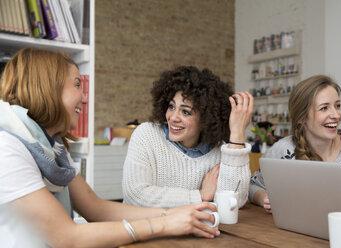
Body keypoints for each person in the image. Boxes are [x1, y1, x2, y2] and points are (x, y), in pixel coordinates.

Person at [0, 48, 221, 248]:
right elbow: (68, 237)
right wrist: (165, 223)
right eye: (77, 85)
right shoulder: (8, 148)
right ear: (47, 87)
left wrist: (177, 213)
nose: (84, 98)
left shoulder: (54, 147)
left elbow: (97, 209)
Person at [122, 66, 254, 208]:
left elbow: (234, 203)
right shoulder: (147, 134)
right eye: (171, 106)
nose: (173, 117)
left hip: (193, 230)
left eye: (185, 112)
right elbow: (136, 196)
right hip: (143, 229)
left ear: (206, 119)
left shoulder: (218, 153)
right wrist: (201, 196)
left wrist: (237, 132)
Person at [249, 75, 341, 214]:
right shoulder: (283, 150)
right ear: (302, 118)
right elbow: (253, 185)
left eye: (337, 106)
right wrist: (264, 198)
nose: (336, 115)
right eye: (324, 108)